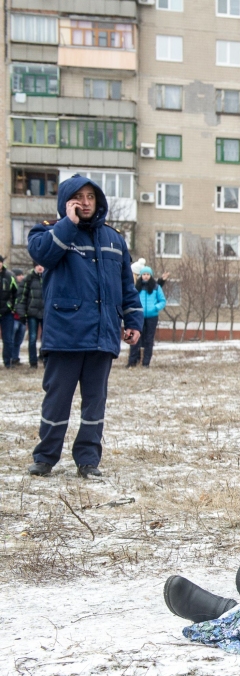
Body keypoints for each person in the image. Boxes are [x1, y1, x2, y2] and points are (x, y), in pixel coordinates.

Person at [26, 176, 142, 478]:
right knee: (56, 401)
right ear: (66, 201)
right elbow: (42, 255)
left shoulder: (114, 239)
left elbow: (126, 287)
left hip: (103, 336)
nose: (86, 202)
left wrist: (133, 321)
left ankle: (88, 460)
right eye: (78, 197)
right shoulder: (48, 232)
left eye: (91, 196)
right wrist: (68, 223)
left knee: (94, 404)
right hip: (64, 335)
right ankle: (45, 457)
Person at [128, 266, 165, 368]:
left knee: (149, 340)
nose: (146, 276)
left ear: (151, 276)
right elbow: (130, 299)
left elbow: (162, 301)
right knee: (134, 338)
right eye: (144, 274)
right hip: (137, 317)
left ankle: (146, 363)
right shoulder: (136, 287)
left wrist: (155, 308)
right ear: (141, 275)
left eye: (148, 274)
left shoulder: (156, 287)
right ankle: (132, 361)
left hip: (152, 317)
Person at [15, 264, 45, 369]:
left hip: (46, 313)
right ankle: (33, 362)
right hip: (32, 313)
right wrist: (22, 313)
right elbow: (21, 297)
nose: (40, 267)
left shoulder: (48, 277)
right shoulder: (28, 279)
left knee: (45, 338)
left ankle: (45, 359)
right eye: (37, 265)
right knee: (32, 338)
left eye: (41, 265)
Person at [0, 255, 18, 368]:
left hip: (6, 313)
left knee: (8, 339)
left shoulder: (9, 276)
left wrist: (12, 307)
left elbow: (16, 293)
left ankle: (8, 362)